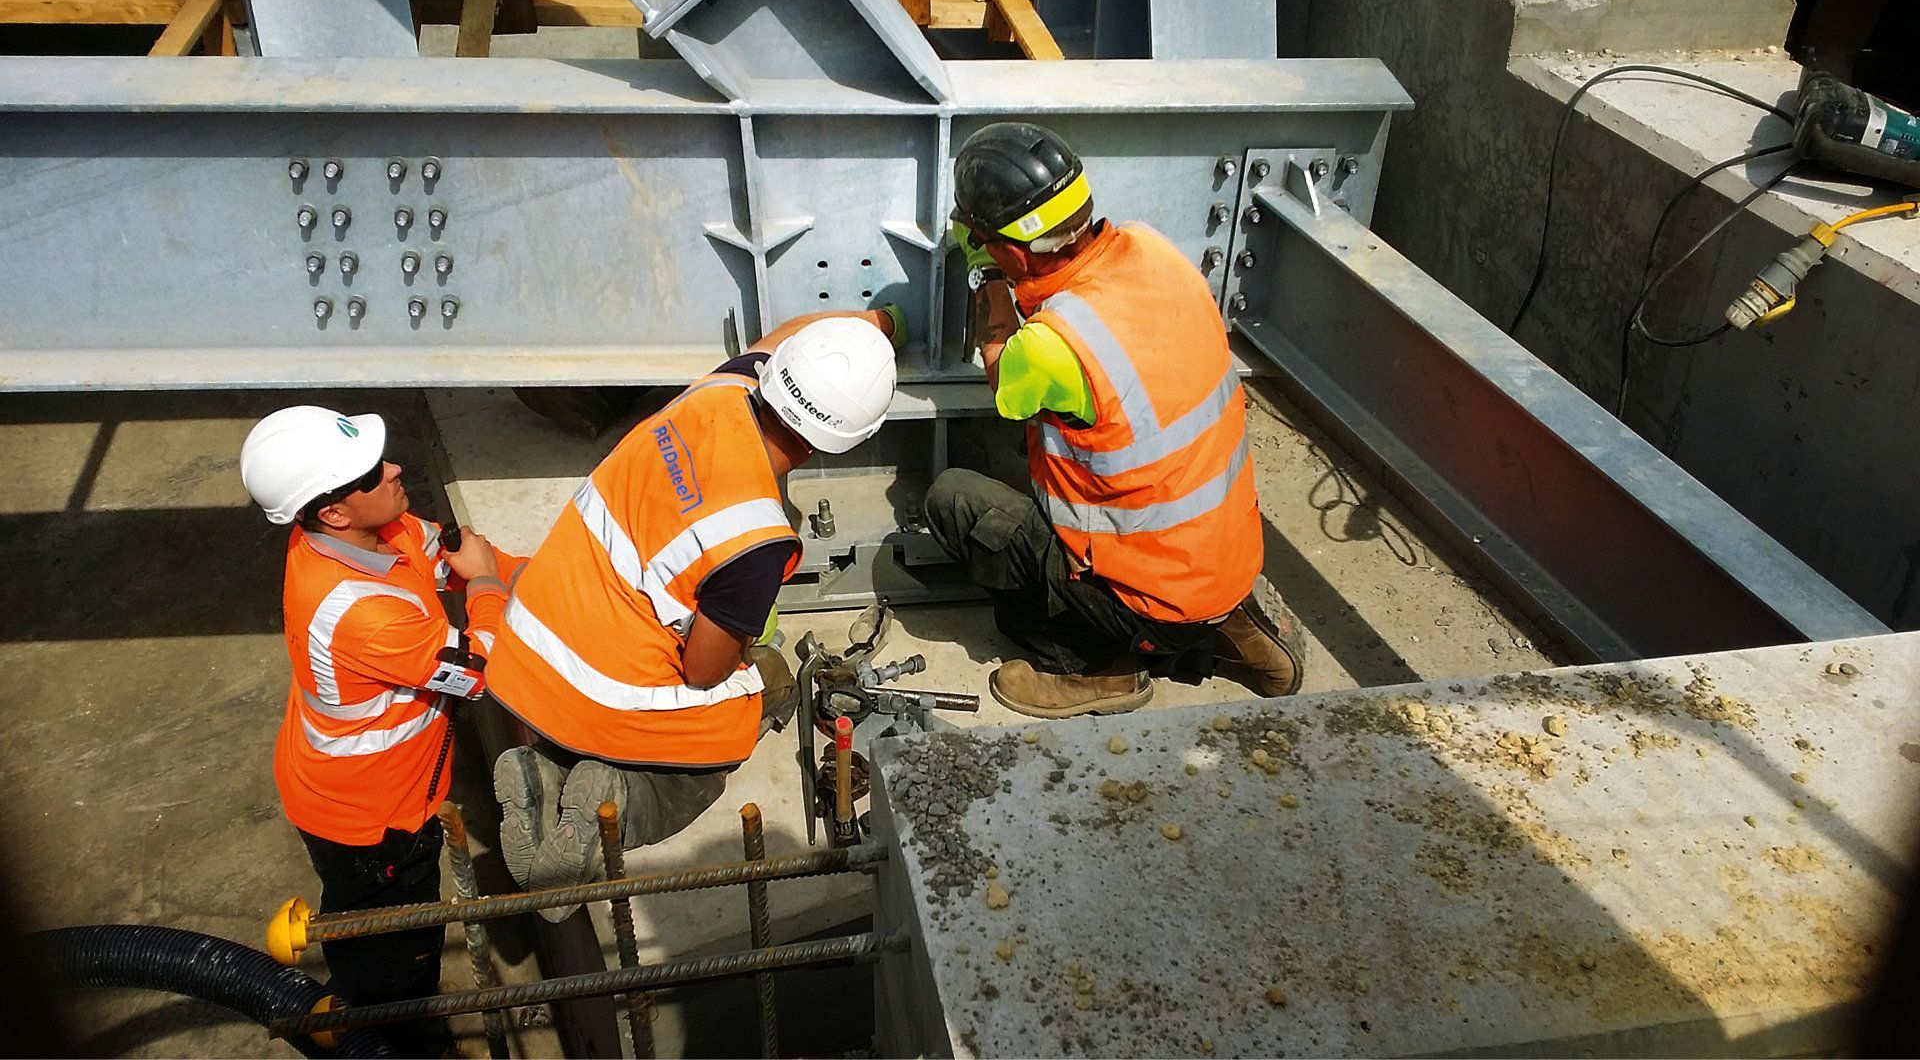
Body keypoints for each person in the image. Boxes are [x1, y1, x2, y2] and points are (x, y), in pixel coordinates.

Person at [485, 310, 900, 905]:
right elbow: (702, 670)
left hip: (525, 637)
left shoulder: (719, 390)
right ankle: (614, 799)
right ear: (848, 440)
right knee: (754, 699)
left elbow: (780, 341)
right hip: (591, 686)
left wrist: (872, 322)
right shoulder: (757, 537)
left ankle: (545, 770)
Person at [928, 121, 1307, 719]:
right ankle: (1226, 626)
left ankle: (1104, 671)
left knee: (957, 506)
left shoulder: (1054, 345)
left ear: (1013, 247)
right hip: (1222, 556)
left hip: (1143, 591)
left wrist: (993, 287)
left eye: (981, 235)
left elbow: (1005, 380)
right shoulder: (1152, 248)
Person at [240, 405, 525, 1054]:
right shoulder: (355, 612)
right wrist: (485, 584)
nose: (395, 468)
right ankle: (383, 1031)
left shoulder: (368, 528)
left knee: (357, 912)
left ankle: (361, 976)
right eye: (372, 471)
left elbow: (445, 550)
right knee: (399, 949)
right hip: (374, 819)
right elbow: (479, 670)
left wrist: (525, 575)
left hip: (345, 785)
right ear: (334, 511)